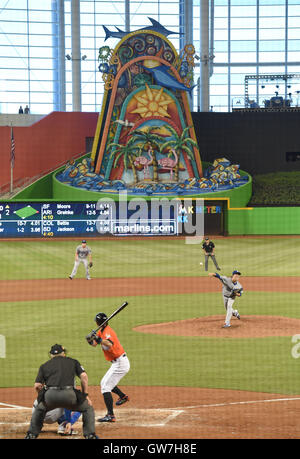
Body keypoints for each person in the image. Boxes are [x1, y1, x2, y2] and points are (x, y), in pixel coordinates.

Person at [25, 344, 98, 439]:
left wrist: (42, 396)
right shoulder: (73, 361)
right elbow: (84, 377)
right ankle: (90, 435)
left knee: (39, 409)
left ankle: (32, 434)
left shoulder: (44, 365)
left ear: (51, 355)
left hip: (50, 396)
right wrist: (85, 395)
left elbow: (37, 386)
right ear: (63, 353)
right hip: (69, 395)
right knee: (87, 408)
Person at [87, 312, 130, 423]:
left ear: (97, 322)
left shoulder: (107, 332)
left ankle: (111, 415)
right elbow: (94, 344)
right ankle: (123, 396)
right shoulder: (102, 331)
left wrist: (98, 338)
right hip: (117, 363)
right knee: (105, 383)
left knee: (105, 386)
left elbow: (109, 344)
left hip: (120, 363)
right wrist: (90, 340)